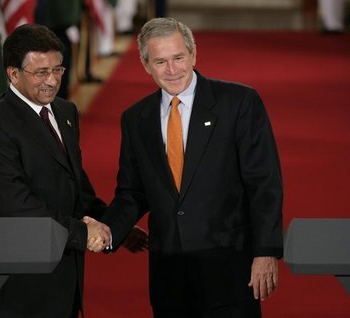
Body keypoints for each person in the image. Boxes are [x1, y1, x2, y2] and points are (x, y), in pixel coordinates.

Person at [99, 17, 284, 317]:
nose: (172, 70)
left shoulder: (238, 103)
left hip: (230, 271)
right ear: (146, 65)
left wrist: (266, 251)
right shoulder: (135, 119)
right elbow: (132, 192)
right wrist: (108, 230)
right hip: (169, 276)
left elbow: (264, 183)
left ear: (194, 55)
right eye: (160, 61)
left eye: (178, 58)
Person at [0, 23, 113, 318]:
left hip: (66, 270)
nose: (52, 80)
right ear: (13, 74)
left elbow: (75, 182)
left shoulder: (65, 111)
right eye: (41, 73)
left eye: (58, 70)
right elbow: (17, 204)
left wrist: (113, 224)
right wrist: (81, 232)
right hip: (25, 277)